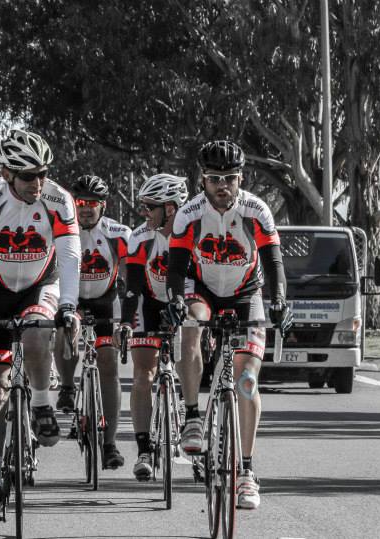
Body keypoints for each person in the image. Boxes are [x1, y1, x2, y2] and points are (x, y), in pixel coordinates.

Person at [0, 129, 80, 522]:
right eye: (28, 176)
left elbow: (71, 255)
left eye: (43, 173)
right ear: (6, 173)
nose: (37, 183)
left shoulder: (59, 199)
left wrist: (70, 306)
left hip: (41, 284)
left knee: (38, 332)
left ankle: (41, 404)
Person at [165, 140, 293, 510]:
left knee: (247, 380)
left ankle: (246, 471)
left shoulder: (256, 211)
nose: (223, 186)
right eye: (214, 179)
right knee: (192, 323)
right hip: (201, 288)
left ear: (241, 178)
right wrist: (175, 299)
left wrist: (279, 300)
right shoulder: (189, 214)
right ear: (202, 180)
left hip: (246, 291)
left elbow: (274, 262)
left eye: (230, 178)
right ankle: (192, 416)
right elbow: (176, 267)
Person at [114, 173, 189, 480]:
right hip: (149, 303)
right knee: (143, 373)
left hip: (186, 301)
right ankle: (144, 449)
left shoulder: (193, 232)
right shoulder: (140, 237)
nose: (144, 212)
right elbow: (132, 288)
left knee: (191, 363)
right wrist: (126, 322)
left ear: (170, 209)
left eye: (150, 207)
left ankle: (193, 424)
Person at [56, 175, 129, 470]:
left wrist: (127, 318)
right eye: (80, 202)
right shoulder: (61, 230)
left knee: (108, 364)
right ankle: (66, 387)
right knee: (64, 331)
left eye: (92, 203)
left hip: (105, 301)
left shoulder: (118, 233)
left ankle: (110, 444)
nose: (86, 208)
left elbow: (130, 280)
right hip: (71, 299)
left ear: (103, 206)